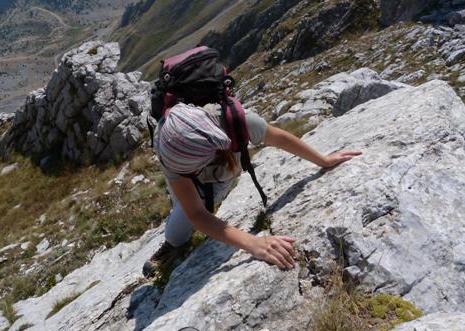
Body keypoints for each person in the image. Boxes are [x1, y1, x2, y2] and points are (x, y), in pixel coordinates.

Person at [142, 102, 362, 277]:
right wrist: (252, 242)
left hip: (220, 173)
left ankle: (191, 209)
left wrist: (323, 160)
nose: (189, 174)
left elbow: (280, 138)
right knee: (178, 225)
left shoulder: (240, 122)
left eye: (191, 170)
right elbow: (196, 213)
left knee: (200, 204)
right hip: (187, 165)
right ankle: (174, 244)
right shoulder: (168, 147)